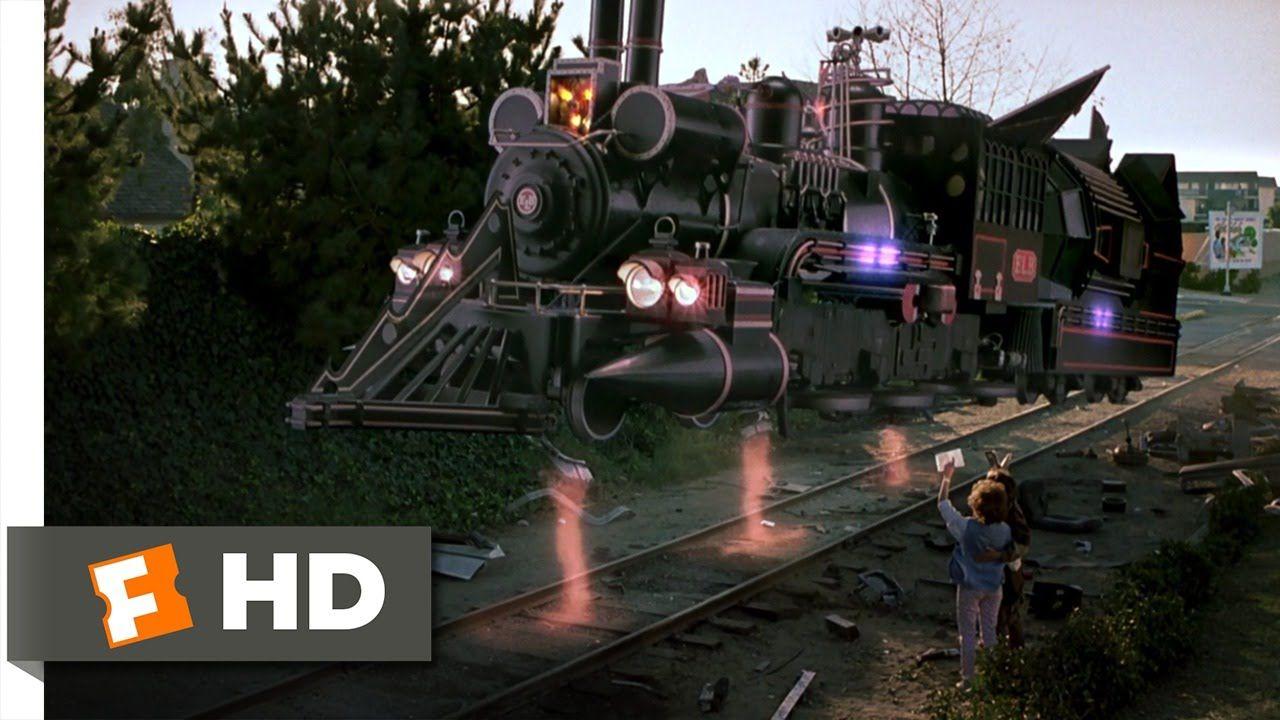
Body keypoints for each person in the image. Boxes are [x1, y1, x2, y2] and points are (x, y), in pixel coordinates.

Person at [937, 462, 1012, 682]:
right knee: (989, 631)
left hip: (970, 587)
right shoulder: (1005, 530)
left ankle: (968, 678)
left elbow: (943, 504)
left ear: (976, 505)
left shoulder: (965, 528)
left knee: (967, 633)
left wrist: (947, 478)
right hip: (994, 587)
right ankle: (992, 676)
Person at [984, 453, 1032, 648]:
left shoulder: (1011, 513)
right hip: (993, 572)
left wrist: (1000, 555)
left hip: (1008, 574)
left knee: (1006, 614)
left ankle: (1006, 655)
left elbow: (1022, 543)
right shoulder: (994, 507)